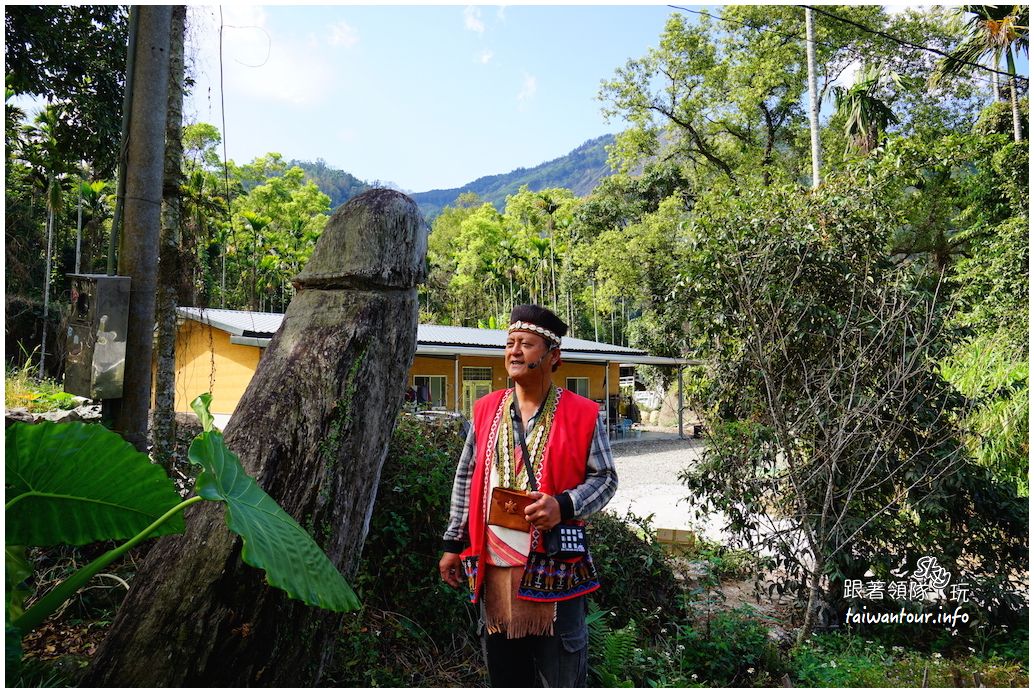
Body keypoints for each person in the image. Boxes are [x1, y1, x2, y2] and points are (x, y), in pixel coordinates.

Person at [439, 304, 618, 687]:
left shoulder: (584, 414)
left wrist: (563, 504)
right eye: (510, 343)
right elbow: (466, 476)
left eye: (527, 344)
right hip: (493, 565)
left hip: (555, 564)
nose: (514, 351)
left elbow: (605, 479)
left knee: (561, 673)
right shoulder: (486, 409)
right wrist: (455, 541)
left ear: (554, 356)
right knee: (505, 674)